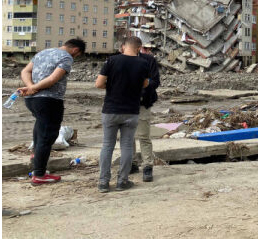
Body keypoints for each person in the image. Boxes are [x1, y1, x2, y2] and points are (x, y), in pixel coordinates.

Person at [19, 38, 86, 185]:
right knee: (47, 135)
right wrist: (33, 88)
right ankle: (39, 175)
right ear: (76, 50)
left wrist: (30, 87)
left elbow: (25, 71)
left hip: (32, 100)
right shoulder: (66, 57)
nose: (76, 57)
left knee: (40, 127)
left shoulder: (42, 53)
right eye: (78, 55)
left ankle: (37, 157)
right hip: (50, 100)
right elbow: (52, 79)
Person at [95, 36, 149, 193]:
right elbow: (145, 83)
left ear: (124, 46)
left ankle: (103, 182)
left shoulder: (112, 60)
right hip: (131, 111)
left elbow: (98, 84)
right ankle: (122, 181)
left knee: (107, 145)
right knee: (126, 146)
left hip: (111, 110)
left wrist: (113, 85)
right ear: (139, 48)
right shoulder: (143, 63)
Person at [130, 46, 160, 182]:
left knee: (143, 136)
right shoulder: (118, 60)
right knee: (127, 137)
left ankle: (147, 166)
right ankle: (131, 163)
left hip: (143, 103)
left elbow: (155, 81)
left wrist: (142, 84)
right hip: (125, 104)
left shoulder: (149, 60)